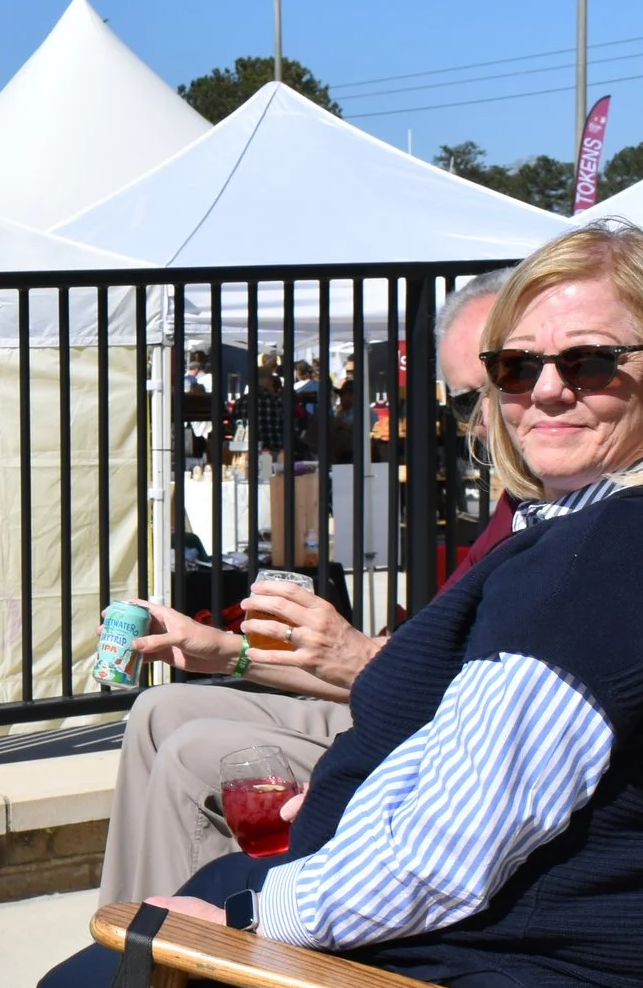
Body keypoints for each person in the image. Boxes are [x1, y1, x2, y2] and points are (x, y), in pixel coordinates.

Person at [36, 220, 643, 988]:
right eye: (514, 368)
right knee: (187, 909)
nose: (543, 391)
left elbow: (442, 853)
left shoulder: (612, 561)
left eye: (591, 362)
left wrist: (260, 915)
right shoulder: (636, 532)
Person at [98, 268, 514, 906]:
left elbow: (474, 706)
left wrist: (358, 655)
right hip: (405, 714)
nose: (489, 419)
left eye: (512, 375)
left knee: (195, 752)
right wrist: (225, 650)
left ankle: (164, 975)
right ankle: (126, 956)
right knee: (160, 710)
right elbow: (407, 670)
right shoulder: (527, 507)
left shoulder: (601, 528)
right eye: (466, 401)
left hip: (432, 750)